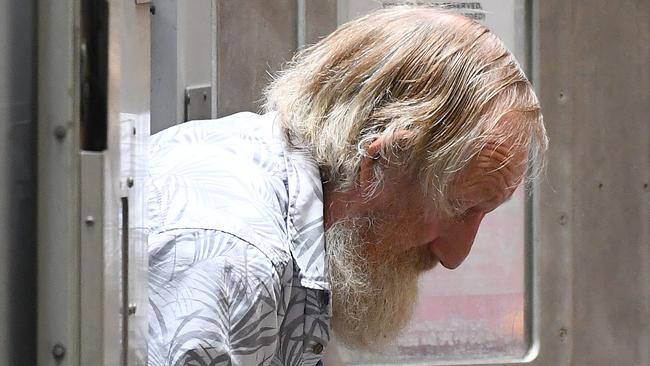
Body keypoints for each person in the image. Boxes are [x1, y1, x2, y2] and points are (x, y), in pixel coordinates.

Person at [146, 6, 547, 366]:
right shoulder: (236, 260)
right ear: (379, 163)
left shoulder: (302, 215)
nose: (454, 255)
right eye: (459, 209)